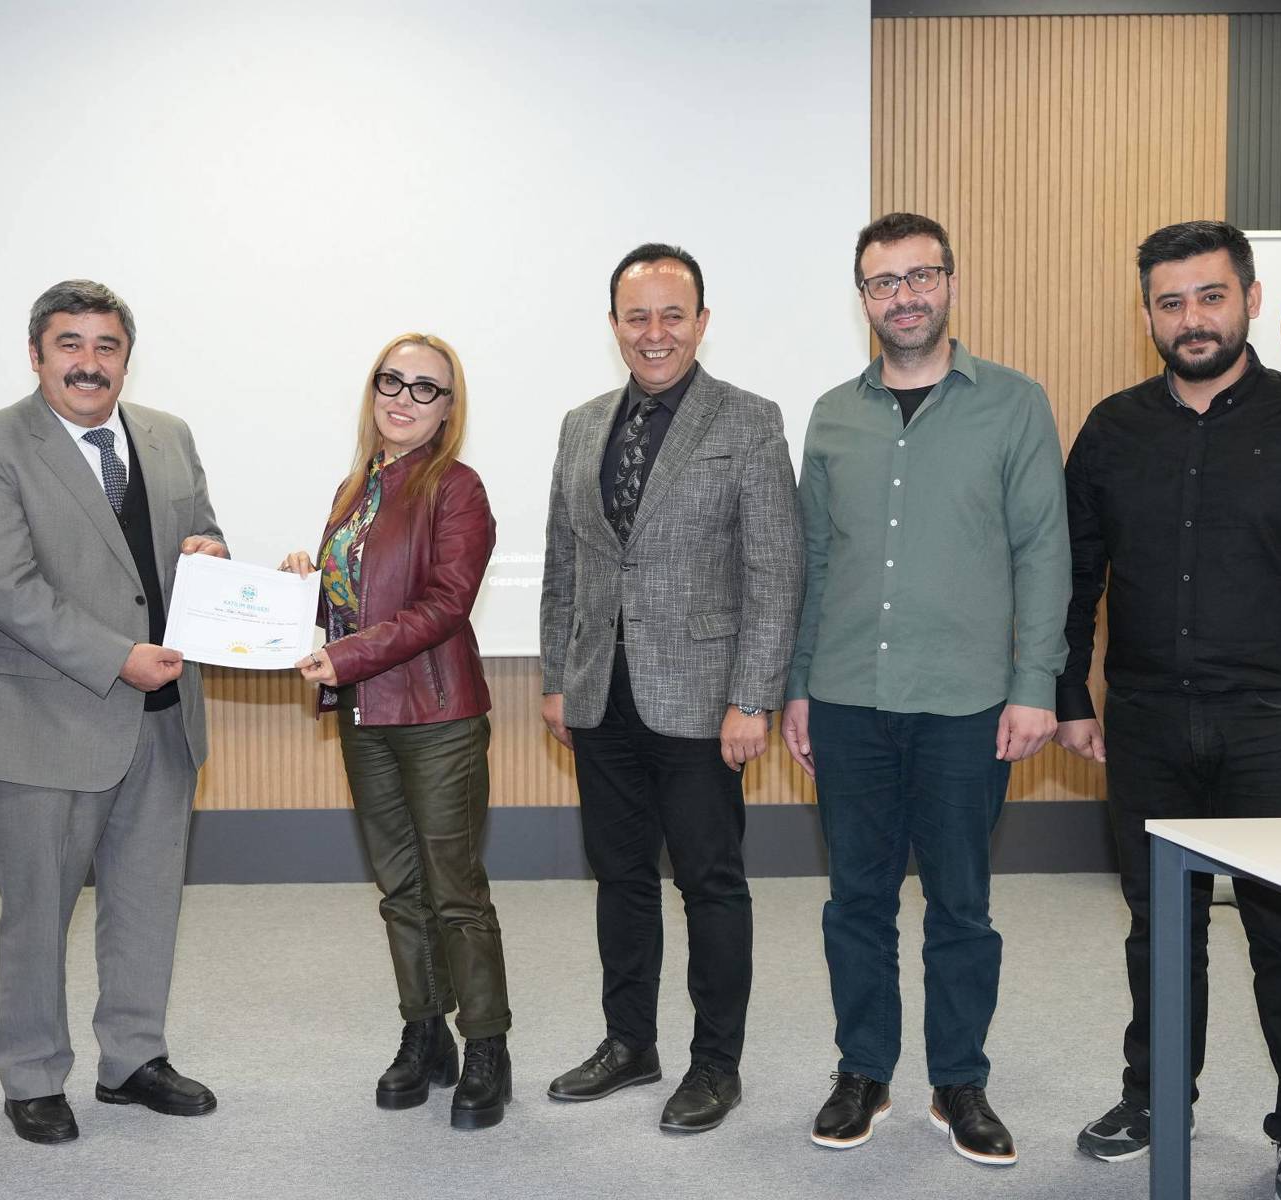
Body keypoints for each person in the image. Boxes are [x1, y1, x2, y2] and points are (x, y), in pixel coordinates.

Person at [1058, 220, 1281, 1200]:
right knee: (1159, 932)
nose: (1191, 318)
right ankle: (1155, 1097)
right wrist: (1070, 695)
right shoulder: (1113, 429)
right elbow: (1074, 576)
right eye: (1171, 302)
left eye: (1210, 296)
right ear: (1147, 315)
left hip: (1278, 727)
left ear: (1250, 298)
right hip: (1148, 720)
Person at [780, 212, 1069, 1167]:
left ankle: (959, 1081)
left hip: (968, 702)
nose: (903, 297)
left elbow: (1043, 553)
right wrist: (798, 685)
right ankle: (863, 1071)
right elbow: (815, 562)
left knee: (961, 906)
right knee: (855, 901)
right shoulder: (832, 414)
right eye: (883, 282)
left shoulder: (1015, 404)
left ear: (949, 281)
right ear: (862, 297)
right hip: (848, 696)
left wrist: (1035, 683)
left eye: (920, 276)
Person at [0, 279, 227, 1145]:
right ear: (37, 355)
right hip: (46, 725)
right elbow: (4, 587)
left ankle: (133, 1059)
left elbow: (202, 532)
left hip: (163, 719)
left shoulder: (169, 436)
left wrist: (210, 552)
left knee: (147, 904)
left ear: (126, 359)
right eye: (70, 344)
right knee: (37, 915)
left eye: (107, 346)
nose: (89, 362)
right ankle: (32, 1075)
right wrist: (117, 658)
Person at [539, 242, 804, 1134]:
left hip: (702, 699)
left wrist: (753, 698)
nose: (654, 333)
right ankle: (630, 1044)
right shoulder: (581, 424)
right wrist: (556, 677)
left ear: (701, 321)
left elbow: (775, 569)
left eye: (671, 315)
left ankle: (716, 1065)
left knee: (710, 884)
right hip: (599, 696)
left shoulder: (749, 420)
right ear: (614, 325)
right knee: (620, 877)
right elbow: (564, 563)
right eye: (636, 316)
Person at [281, 333, 511, 1129]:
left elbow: (445, 604)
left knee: (456, 894)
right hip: (365, 714)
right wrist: (301, 592)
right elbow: (355, 603)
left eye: (425, 388)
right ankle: (424, 1035)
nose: (404, 399)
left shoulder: (457, 488)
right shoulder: (356, 488)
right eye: (392, 381)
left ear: (448, 409)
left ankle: (486, 1045)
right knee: (400, 891)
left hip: (438, 717)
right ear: (373, 389)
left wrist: (346, 655)